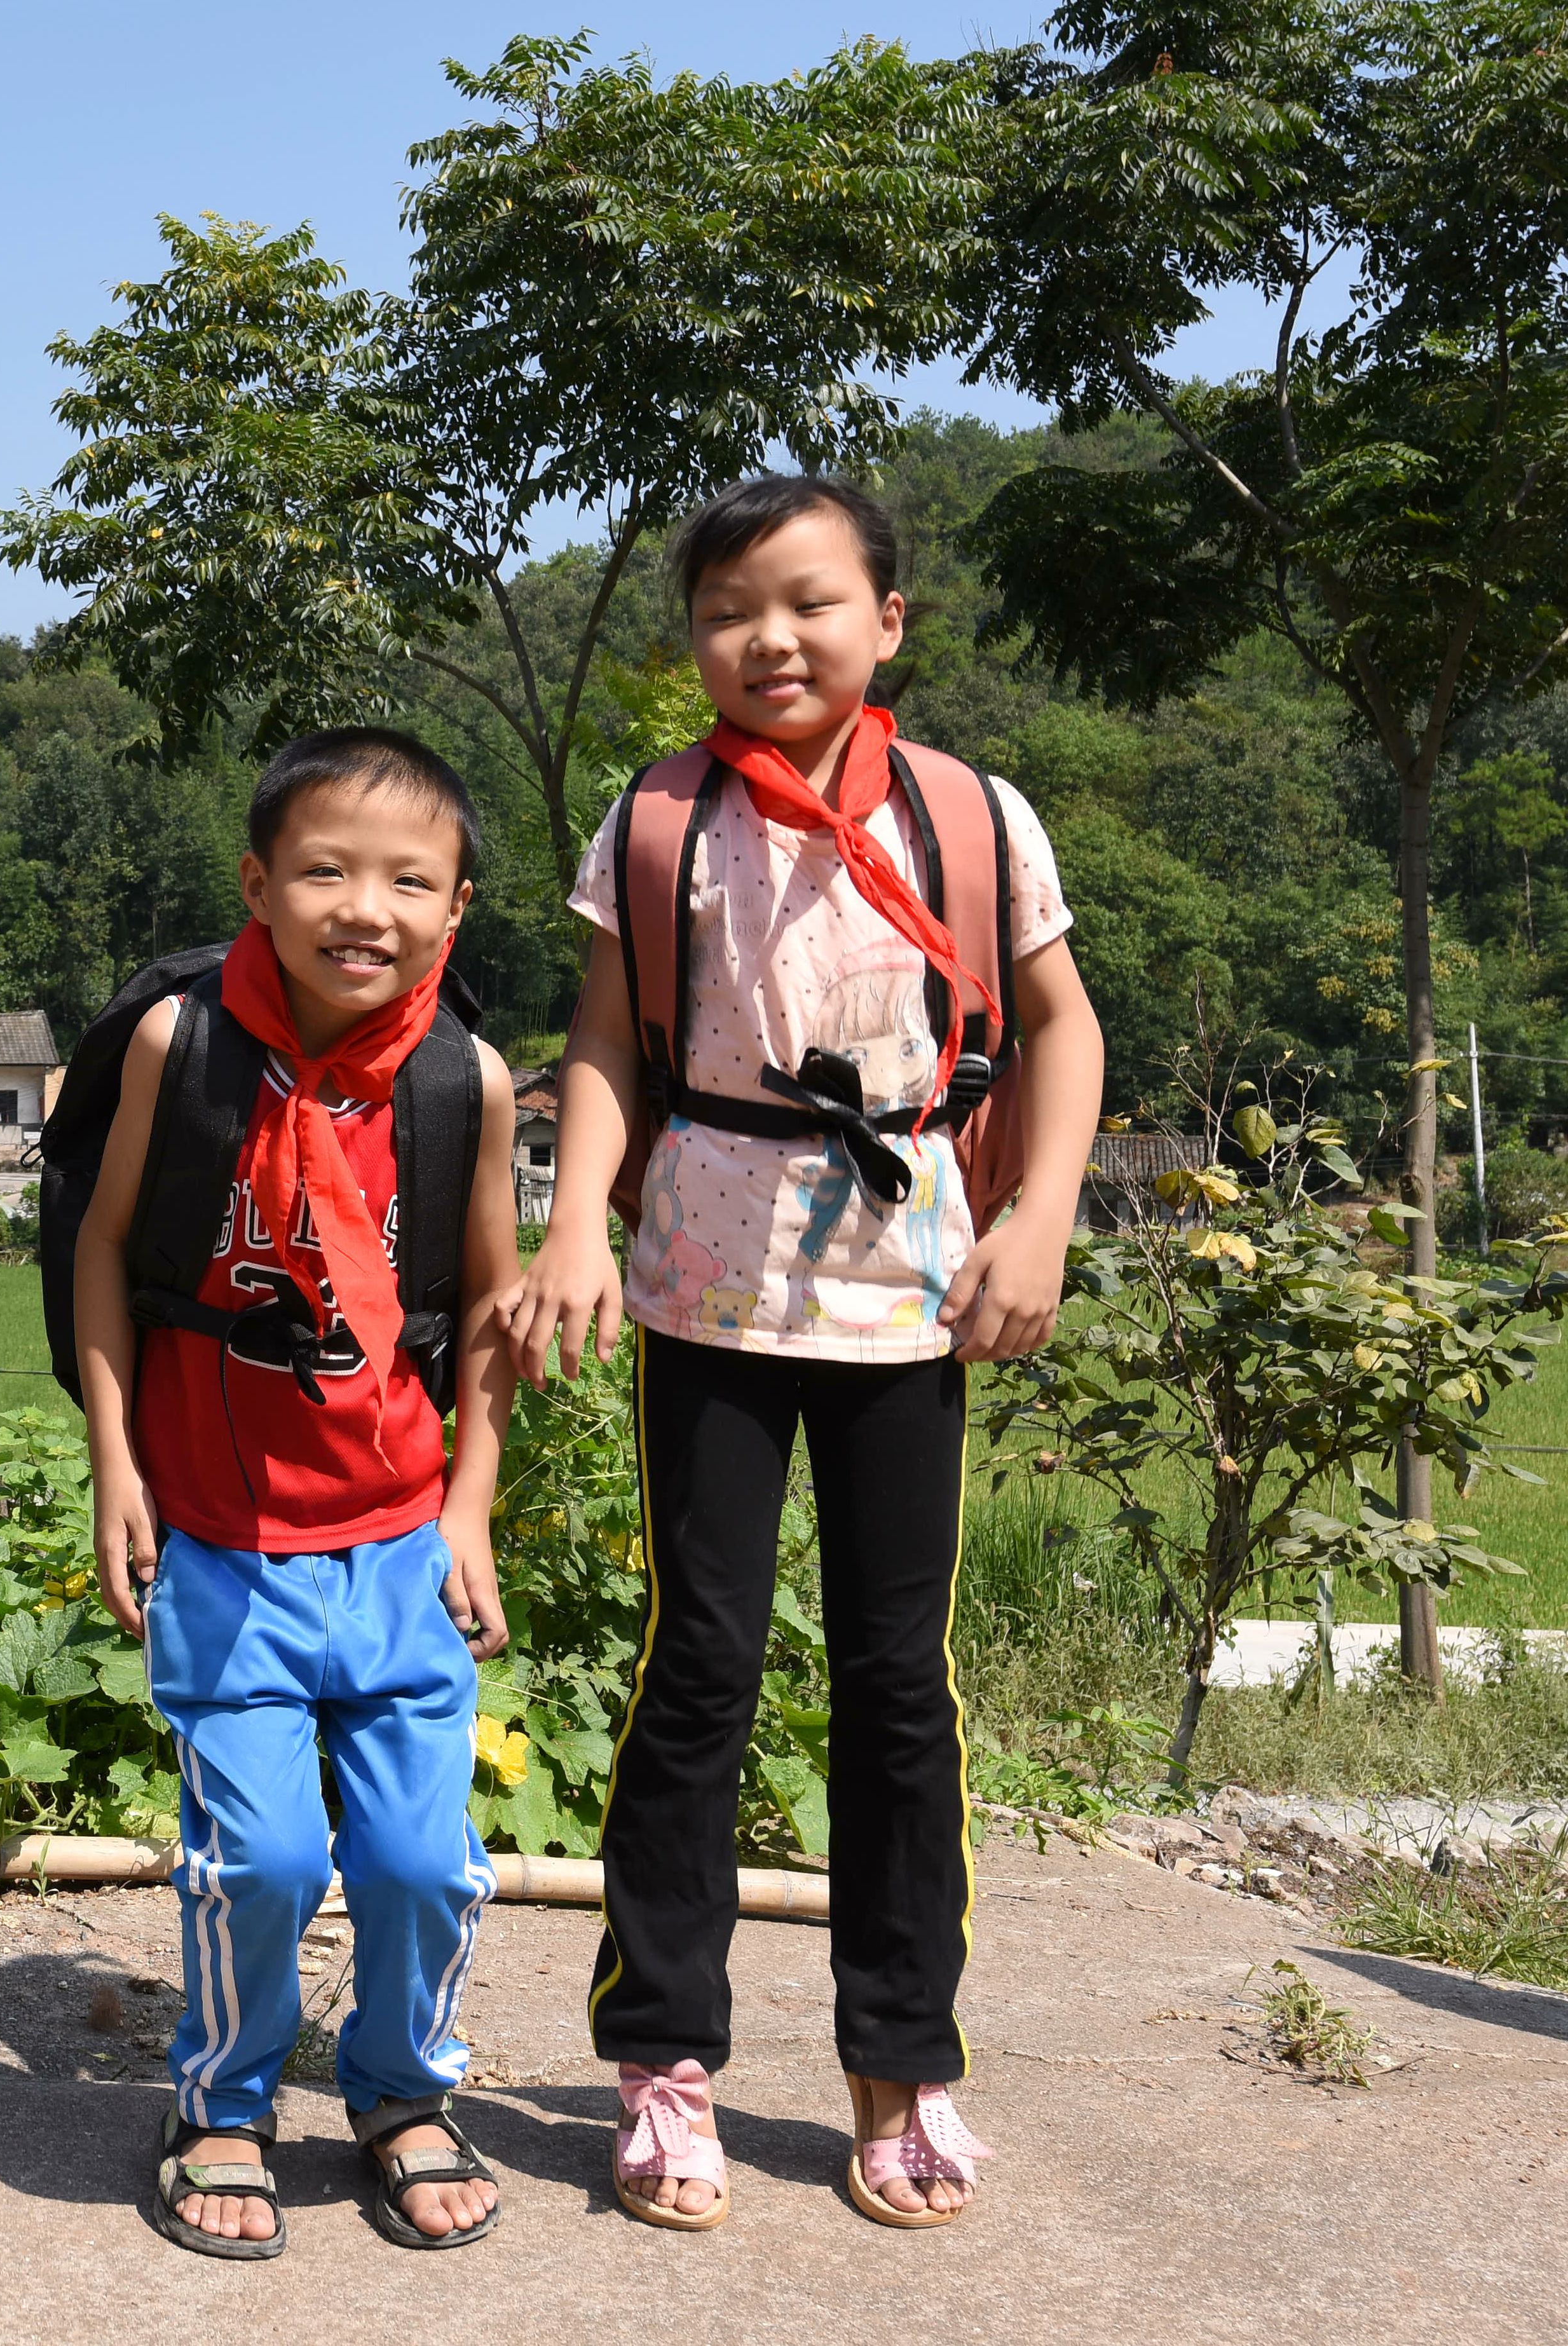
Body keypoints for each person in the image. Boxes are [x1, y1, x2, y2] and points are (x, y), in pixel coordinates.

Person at [507, 475, 1105, 2228]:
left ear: (888, 622)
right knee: (699, 1661)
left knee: (898, 1678)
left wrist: (1042, 1214)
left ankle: (902, 2057)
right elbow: (610, 1040)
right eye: (728, 611)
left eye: (812, 602)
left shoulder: (975, 816)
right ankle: (666, 2058)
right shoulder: (657, 816)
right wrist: (569, 1224)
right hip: (703, 1272)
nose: (771, 638)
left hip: (909, 1274)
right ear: (692, 638)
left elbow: (1059, 1026)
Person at [75, 729, 522, 2260]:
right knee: (257, 1858)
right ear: (256, 885)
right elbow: (104, 1252)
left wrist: (469, 1508)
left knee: (417, 1860)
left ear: (454, 910)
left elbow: (481, 1310)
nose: (364, 907)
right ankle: (219, 2100)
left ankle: (401, 2096)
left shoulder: (465, 1081)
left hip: (398, 1543)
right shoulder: (180, 1051)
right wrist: (114, 1460)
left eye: (409, 880)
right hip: (221, 1541)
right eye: (324, 869)